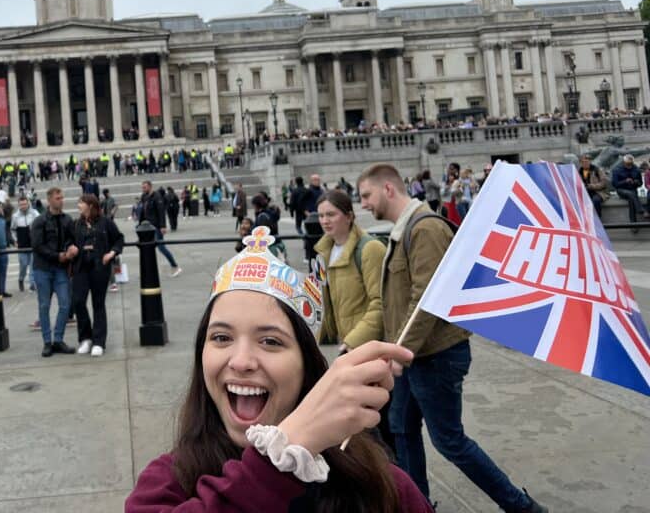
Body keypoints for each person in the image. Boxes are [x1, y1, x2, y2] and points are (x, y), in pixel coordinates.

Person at [126, 233, 428, 512]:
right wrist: (281, 456)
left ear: (307, 365)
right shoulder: (167, 484)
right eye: (221, 337)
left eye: (270, 341)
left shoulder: (382, 487)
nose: (241, 361)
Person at [357, 163, 547, 512]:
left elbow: (427, 301)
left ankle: (522, 507)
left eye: (366, 195)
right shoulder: (404, 231)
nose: (364, 204)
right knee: (402, 428)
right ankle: (418, 505)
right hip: (414, 356)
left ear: (388, 189)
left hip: (435, 356)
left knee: (450, 441)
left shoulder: (425, 229)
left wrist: (398, 353)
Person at [314, 189, 391, 450]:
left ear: (349, 216)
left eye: (331, 214)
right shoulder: (325, 252)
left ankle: (397, 482)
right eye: (321, 215)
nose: (325, 220)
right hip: (347, 350)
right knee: (361, 425)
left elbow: (381, 304)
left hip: (368, 349)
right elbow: (329, 305)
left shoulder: (369, 249)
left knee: (379, 426)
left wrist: (352, 341)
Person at [71, 193, 123, 357]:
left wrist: (111, 253)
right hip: (81, 267)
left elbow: (119, 239)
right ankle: (85, 337)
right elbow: (69, 240)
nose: (79, 205)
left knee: (98, 303)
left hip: (99, 267)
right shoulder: (76, 224)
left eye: (81, 203)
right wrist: (71, 248)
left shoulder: (105, 222)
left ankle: (99, 341)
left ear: (90, 205)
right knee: (78, 301)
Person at [30, 187, 78, 357]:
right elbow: (37, 246)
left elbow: (72, 239)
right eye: (58, 198)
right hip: (43, 269)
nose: (61, 200)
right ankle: (47, 342)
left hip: (60, 269)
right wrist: (59, 256)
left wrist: (71, 248)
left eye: (62, 197)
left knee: (65, 304)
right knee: (44, 306)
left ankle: (58, 339)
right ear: (49, 200)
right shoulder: (39, 221)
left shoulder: (67, 220)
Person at [138, 180, 181, 276]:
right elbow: (143, 212)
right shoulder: (144, 197)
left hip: (156, 226)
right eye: (142, 187)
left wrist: (163, 226)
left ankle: (175, 266)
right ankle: (149, 271)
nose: (143, 189)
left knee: (161, 247)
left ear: (150, 187)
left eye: (144, 187)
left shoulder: (157, 196)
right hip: (147, 227)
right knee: (147, 248)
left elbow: (161, 212)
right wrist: (139, 224)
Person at [10, 196, 39, 293]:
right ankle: (21, 279)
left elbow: (40, 226)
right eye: (21, 204)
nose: (23, 206)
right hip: (22, 244)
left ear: (28, 203)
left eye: (25, 204)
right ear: (18, 205)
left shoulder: (35, 213)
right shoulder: (15, 216)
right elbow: (12, 230)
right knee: (23, 264)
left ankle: (32, 284)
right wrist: (15, 240)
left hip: (33, 243)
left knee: (32, 265)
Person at [611, 153, 645, 227]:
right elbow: (615, 184)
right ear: (624, 163)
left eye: (631, 164)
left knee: (631, 199)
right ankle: (640, 209)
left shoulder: (636, 169)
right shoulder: (617, 170)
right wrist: (625, 181)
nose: (629, 166)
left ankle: (633, 224)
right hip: (621, 190)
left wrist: (636, 182)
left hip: (632, 189)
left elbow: (640, 183)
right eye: (628, 164)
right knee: (631, 194)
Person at [579, 153, 607, 217]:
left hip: (598, 192)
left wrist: (592, 186)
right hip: (585, 193)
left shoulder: (597, 170)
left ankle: (598, 219)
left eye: (587, 161)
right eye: (583, 162)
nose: (585, 163)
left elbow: (604, 183)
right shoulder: (579, 172)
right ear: (581, 163)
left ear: (590, 161)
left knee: (596, 201)